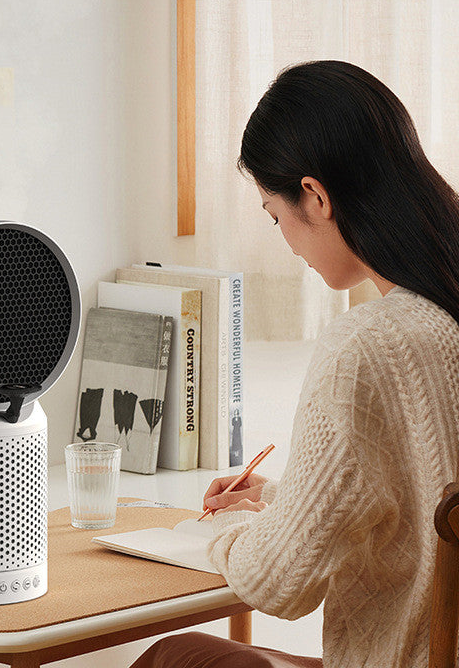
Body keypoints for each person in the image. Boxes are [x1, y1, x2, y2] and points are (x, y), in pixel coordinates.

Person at [130, 60, 459, 668]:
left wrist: (226, 535)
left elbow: (279, 584)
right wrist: (285, 501)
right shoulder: (443, 320)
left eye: (274, 215)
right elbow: (426, 504)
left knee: (174, 656)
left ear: (316, 196)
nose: (284, 239)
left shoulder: (368, 345)